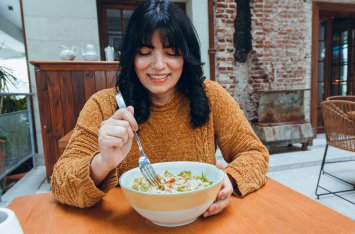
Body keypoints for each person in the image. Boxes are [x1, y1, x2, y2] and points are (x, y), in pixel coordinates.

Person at [51, 0, 269, 217]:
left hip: (199, 222)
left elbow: (255, 153)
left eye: (171, 52)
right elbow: (61, 182)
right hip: (129, 229)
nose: (158, 65)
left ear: (186, 55)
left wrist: (227, 179)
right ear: (131, 57)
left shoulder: (211, 96)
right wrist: (102, 162)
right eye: (145, 52)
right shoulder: (104, 105)